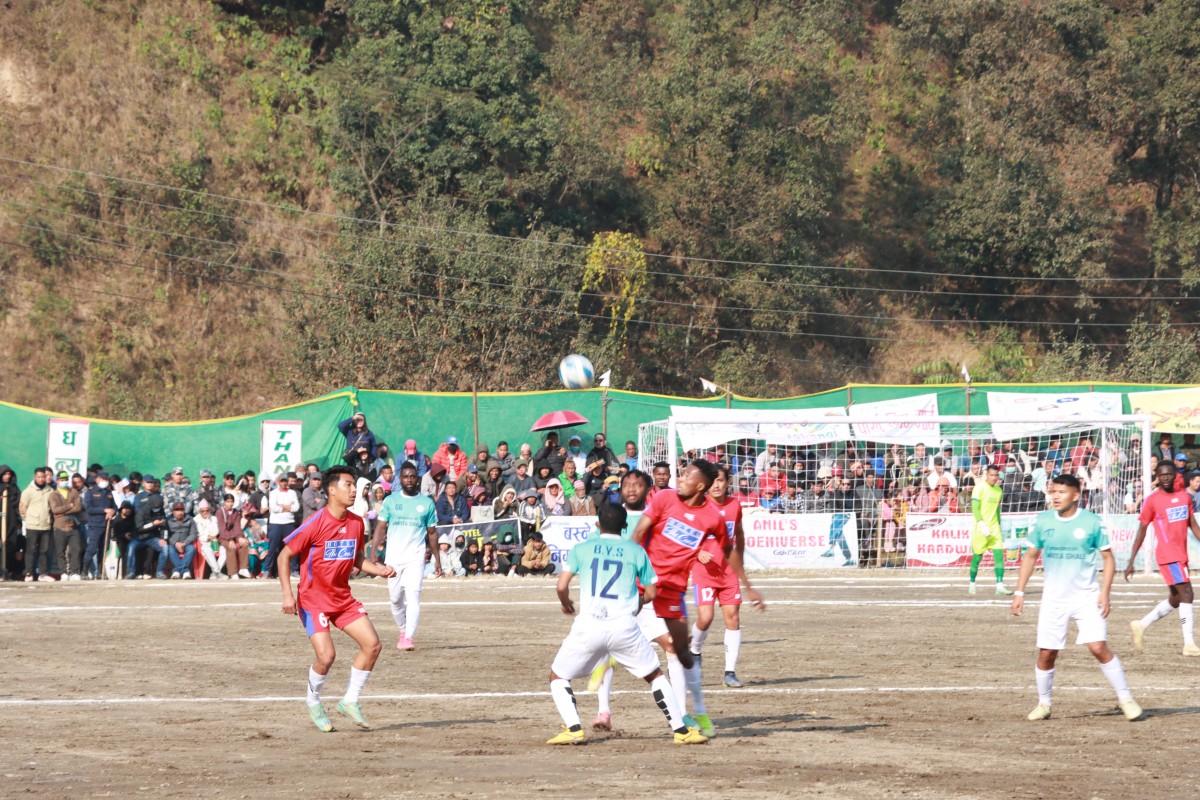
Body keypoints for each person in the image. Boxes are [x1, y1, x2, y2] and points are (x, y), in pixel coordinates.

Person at [545, 502, 706, 746]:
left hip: (589, 625)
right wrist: (638, 602)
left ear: (597, 524)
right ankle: (681, 731)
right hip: (624, 626)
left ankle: (574, 728)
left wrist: (566, 603)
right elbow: (652, 592)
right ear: (624, 526)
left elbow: (561, 585)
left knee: (558, 676)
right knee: (655, 675)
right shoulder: (636, 551)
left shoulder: (582, 548)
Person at [1011, 474, 1143, 721]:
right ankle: (1044, 704)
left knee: (1098, 647)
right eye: (1053, 492)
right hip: (1054, 599)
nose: (1056, 496)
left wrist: (1105, 593)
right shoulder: (1042, 521)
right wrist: (1019, 592)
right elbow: (1030, 556)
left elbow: (1108, 559)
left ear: (1075, 495)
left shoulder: (1092, 522)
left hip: (1086, 597)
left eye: (1061, 492)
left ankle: (1126, 699)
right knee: (1047, 653)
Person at [278, 465, 396, 732]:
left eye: (355, 485)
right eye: (348, 485)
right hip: (313, 600)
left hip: (342, 598)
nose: (354, 490)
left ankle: (350, 701)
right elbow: (284, 556)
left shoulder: (356, 523)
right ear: (332, 490)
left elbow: (357, 559)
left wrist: (379, 570)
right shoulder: (315, 522)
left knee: (373, 645)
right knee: (327, 656)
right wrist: (287, 594)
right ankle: (313, 701)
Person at [631, 460, 725, 738]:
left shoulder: (712, 516)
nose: (679, 479)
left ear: (701, 485)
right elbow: (639, 533)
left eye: (686, 475)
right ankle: (603, 709)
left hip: (671, 591)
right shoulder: (663, 499)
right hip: (643, 587)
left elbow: (723, 544)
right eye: (679, 475)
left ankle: (695, 711)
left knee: (679, 652)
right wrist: (631, 566)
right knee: (669, 648)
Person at [690, 464, 766, 689]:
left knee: (733, 617)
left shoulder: (734, 505)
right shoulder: (698, 505)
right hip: (704, 572)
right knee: (705, 618)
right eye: (713, 481)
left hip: (728, 572)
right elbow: (686, 537)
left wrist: (739, 561)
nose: (716, 485)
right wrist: (697, 552)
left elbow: (739, 535)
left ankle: (729, 673)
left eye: (721, 480)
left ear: (727, 482)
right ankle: (695, 650)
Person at [1124, 461, 1200, 656]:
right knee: (1187, 593)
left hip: (1181, 554)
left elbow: (1192, 524)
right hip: (1169, 555)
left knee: (1176, 598)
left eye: (1169, 473)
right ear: (1157, 476)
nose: (1165, 477)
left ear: (1175, 475)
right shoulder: (1152, 500)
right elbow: (1142, 530)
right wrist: (1131, 560)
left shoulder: (1184, 497)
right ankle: (1189, 644)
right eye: (1161, 474)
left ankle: (1141, 624)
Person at [369, 463, 441, 652]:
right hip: (394, 558)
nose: (409, 480)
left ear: (417, 479)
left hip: (415, 557)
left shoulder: (427, 503)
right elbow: (381, 527)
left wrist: (437, 560)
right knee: (395, 599)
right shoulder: (391, 500)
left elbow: (432, 533)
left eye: (412, 476)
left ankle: (408, 637)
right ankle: (402, 629)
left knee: (413, 595)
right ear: (400, 479)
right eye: (405, 476)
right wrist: (373, 550)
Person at [969, 464, 1013, 596]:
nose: (994, 478)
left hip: (994, 528)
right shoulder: (979, 487)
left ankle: (1000, 585)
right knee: (977, 558)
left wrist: (999, 523)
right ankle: (972, 583)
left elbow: (997, 509)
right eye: (991, 475)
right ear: (987, 475)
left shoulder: (999, 490)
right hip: (980, 528)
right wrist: (982, 524)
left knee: (999, 556)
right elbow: (975, 508)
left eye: (996, 475)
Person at [129, 475, 169, 579]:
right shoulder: (139, 500)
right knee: (131, 548)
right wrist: (153, 523)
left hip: (152, 536)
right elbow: (139, 527)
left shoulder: (158, 498)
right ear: (143, 483)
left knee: (164, 547)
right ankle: (131, 572)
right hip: (139, 536)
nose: (150, 484)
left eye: (152, 482)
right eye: (148, 482)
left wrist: (164, 538)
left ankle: (160, 572)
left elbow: (164, 523)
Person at [48, 470, 84, 580]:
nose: (64, 481)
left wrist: (63, 512)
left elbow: (78, 508)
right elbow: (55, 510)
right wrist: (69, 506)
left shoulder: (74, 492)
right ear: (57, 481)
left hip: (73, 526)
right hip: (59, 526)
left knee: (76, 550)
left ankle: (74, 572)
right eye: (62, 480)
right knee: (60, 551)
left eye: (66, 479)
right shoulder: (53, 494)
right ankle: (63, 572)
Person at [80, 471, 116, 579]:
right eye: (103, 479)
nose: (105, 481)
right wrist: (104, 510)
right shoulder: (90, 492)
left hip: (107, 524)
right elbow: (89, 509)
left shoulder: (109, 492)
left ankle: (100, 572)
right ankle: (84, 572)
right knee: (92, 548)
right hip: (95, 525)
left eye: (106, 480)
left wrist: (112, 512)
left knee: (104, 549)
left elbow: (114, 506)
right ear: (97, 480)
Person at [217, 493, 251, 579]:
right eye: (228, 502)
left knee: (244, 543)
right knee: (231, 547)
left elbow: (237, 527)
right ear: (224, 502)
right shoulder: (220, 512)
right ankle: (232, 572)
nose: (230, 504)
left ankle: (243, 568)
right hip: (223, 537)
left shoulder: (235, 512)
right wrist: (230, 539)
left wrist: (239, 537)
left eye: (231, 502)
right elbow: (222, 529)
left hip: (234, 535)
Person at [1, 465, 24, 579]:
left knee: (10, 547)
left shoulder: (14, 488)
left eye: (9, 474)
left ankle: (8, 571)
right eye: (5, 474)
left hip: (11, 522)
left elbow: (17, 505)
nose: (7, 476)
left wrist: (18, 520)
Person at [165, 502, 199, 579]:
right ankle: (185, 571)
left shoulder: (190, 519)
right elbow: (166, 535)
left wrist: (184, 543)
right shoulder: (168, 520)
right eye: (177, 510)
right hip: (173, 544)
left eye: (181, 510)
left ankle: (176, 571)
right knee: (170, 550)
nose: (180, 512)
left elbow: (194, 534)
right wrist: (175, 543)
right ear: (173, 511)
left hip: (186, 544)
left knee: (192, 549)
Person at [193, 499, 225, 579]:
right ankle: (218, 572)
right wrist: (208, 537)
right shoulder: (196, 520)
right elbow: (198, 534)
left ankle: (215, 573)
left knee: (225, 549)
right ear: (199, 511)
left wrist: (208, 520)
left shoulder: (214, 519)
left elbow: (216, 531)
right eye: (202, 511)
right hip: (203, 543)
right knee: (207, 549)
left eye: (207, 511)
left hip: (215, 541)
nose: (205, 513)